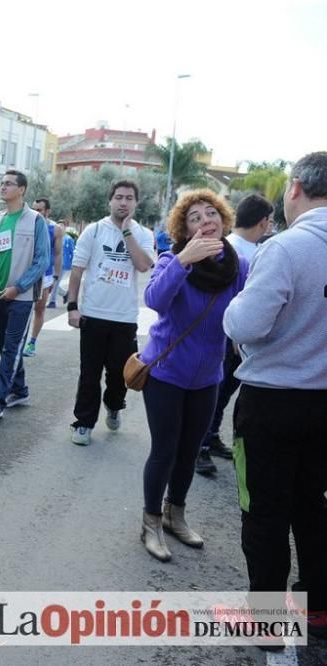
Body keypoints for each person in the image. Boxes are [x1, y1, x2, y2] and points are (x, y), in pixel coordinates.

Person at [224, 151, 327, 640]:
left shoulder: (286, 248)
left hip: (273, 402)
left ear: (295, 188)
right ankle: (319, 607)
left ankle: (266, 621)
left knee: (264, 512)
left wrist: (235, 314)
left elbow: (246, 324)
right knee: (315, 507)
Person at [137, 190, 247, 562]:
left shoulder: (237, 266)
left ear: (223, 220)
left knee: (189, 452)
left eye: (211, 213)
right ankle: (150, 522)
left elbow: (245, 314)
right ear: (184, 230)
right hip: (166, 373)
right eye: (195, 217)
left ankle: (175, 515)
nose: (205, 220)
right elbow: (154, 300)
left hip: (207, 378)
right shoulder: (172, 259)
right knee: (165, 450)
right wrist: (183, 260)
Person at [66, 180, 155, 444]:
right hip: (93, 315)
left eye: (129, 198)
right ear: (110, 201)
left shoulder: (143, 234)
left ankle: (114, 405)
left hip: (124, 318)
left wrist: (127, 233)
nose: (123, 202)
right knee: (89, 373)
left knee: (119, 374)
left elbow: (142, 265)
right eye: (118, 197)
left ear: (136, 203)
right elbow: (77, 271)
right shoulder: (93, 231)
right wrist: (72, 307)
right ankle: (83, 423)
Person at [195, 193, 275, 475]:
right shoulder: (234, 251)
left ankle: (211, 437)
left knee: (223, 394)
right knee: (216, 393)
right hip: (227, 338)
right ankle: (200, 447)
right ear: (263, 222)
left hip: (237, 338)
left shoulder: (250, 250)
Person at [0, 170, 51, 422]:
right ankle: (19, 390)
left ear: (22, 189)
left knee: (11, 349)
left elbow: (42, 260)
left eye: (9, 184)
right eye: (2, 183)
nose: (3, 187)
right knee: (6, 349)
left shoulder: (35, 221)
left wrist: (18, 287)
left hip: (20, 298)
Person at [23, 198, 64, 357]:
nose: (36, 212)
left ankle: (32, 343)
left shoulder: (56, 229)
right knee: (23, 310)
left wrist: (56, 276)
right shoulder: (26, 225)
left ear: (47, 211)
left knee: (39, 309)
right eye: (34, 209)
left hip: (45, 275)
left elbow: (58, 254)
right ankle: (20, 340)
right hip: (26, 274)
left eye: (39, 210)